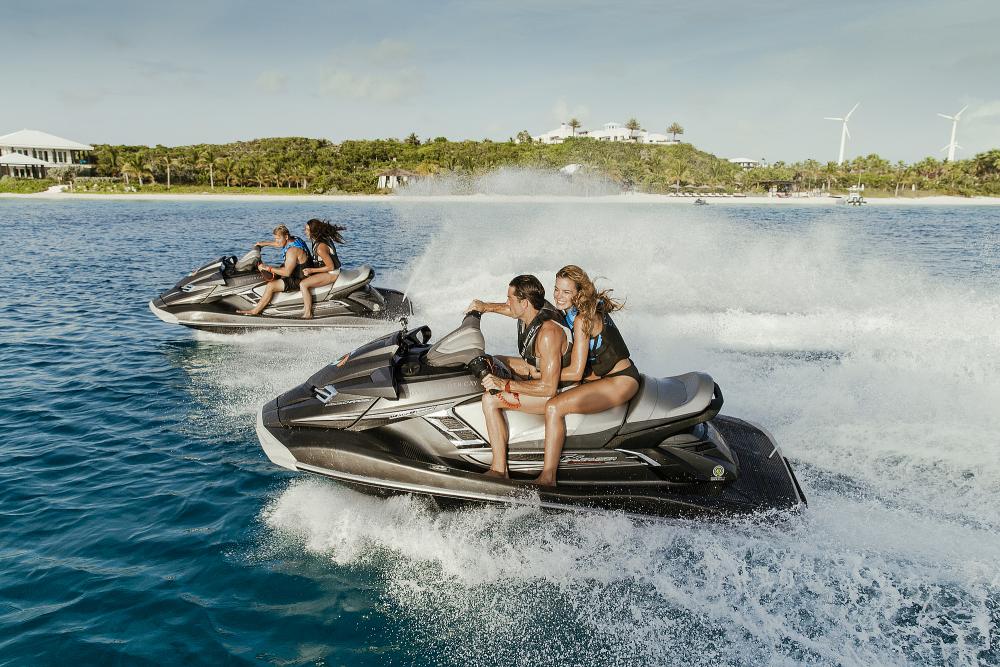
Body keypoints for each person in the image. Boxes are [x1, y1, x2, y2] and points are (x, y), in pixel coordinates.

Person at [537, 265, 640, 486]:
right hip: (604, 376)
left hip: (621, 380)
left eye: (566, 292)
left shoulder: (583, 318)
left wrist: (541, 375)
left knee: (554, 407)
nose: (558, 296)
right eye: (556, 289)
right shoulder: (580, 310)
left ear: (578, 293)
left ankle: (547, 477)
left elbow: (575, 371)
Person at [468, 275, 571, 478]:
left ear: (524, 303)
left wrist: (505, 384)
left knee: (489, 400)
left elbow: (548, 388)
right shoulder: (531, 313)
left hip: (559, 392)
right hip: (540, 374)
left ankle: (499, 469)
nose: (507, 303)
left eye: (510, 298)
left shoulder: (548, 333)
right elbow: (510, 310)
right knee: (495, 360)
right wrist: (484, 306)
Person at [236, 224, 309, 316]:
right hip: (301, 270)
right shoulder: (294, 239)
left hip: (300, 277)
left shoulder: (292, 251)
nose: (276, 241)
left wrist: (268, 268)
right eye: (275, 238)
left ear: (286, 237)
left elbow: (287, 272)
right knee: (274, 270)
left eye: (278, 238)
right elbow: (279, 243)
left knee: (271, 285)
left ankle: (255, 311)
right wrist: (263, 244)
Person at [298, 218, 346, 319]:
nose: (305, 231)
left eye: (307, 229)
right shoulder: (320, 239)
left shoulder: (320, 248)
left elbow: (330, 266)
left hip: (332, 274)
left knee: (303, 284)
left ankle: (308, 313)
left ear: (313, 231)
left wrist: (311, 270)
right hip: (329, 271)